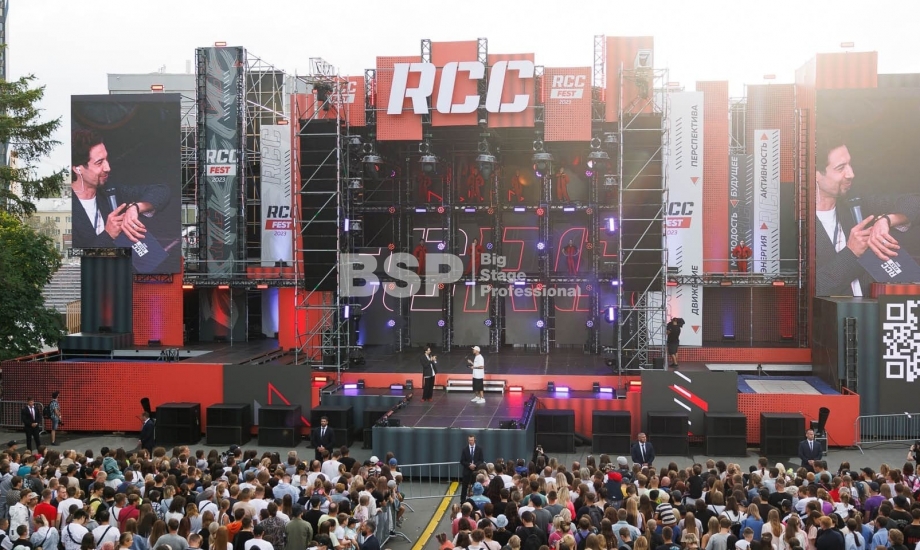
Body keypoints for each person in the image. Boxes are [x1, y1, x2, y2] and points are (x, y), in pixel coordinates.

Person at [814, 139, 920, 296]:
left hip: (873, 309)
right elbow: (814, 288)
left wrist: (886, 220)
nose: (851, 174)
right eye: (841, 168)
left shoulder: (856, 206)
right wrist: (851, 253)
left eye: (850, 164)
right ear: (815, 174)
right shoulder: (802, 226)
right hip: (830, 311)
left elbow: (914, 202)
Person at [70, 129, 171, 260]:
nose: (107, 167)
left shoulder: (109, 191)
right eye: (99, 163)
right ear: (77, 168)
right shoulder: (63, 209)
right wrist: (108, 235)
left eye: (106, 159)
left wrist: (136, 207)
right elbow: (71, 261)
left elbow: (162, 191)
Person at [460, 435, 485, 502]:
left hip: (476, 471)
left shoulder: (479, 449)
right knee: (464, 487)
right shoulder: (465, 449)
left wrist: (475, 465)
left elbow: (481, 460)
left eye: (472, 440)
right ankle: (462, 501)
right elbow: (462, 461)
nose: (470, 441)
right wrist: (469, 465)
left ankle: (475, 501)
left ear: (474, 440)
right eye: (469, 440)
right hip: (467, 471)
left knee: (476, 486)